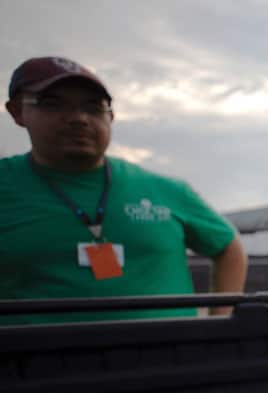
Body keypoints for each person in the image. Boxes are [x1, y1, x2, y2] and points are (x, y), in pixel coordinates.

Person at [1, 56, 247, 323]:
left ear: (111, 116)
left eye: (93, 107)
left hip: (165, 349)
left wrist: (221, 324)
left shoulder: (165, 191)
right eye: (53, 104)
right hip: (36, 349)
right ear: (17, 111)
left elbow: (228, 248)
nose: (79, 118)